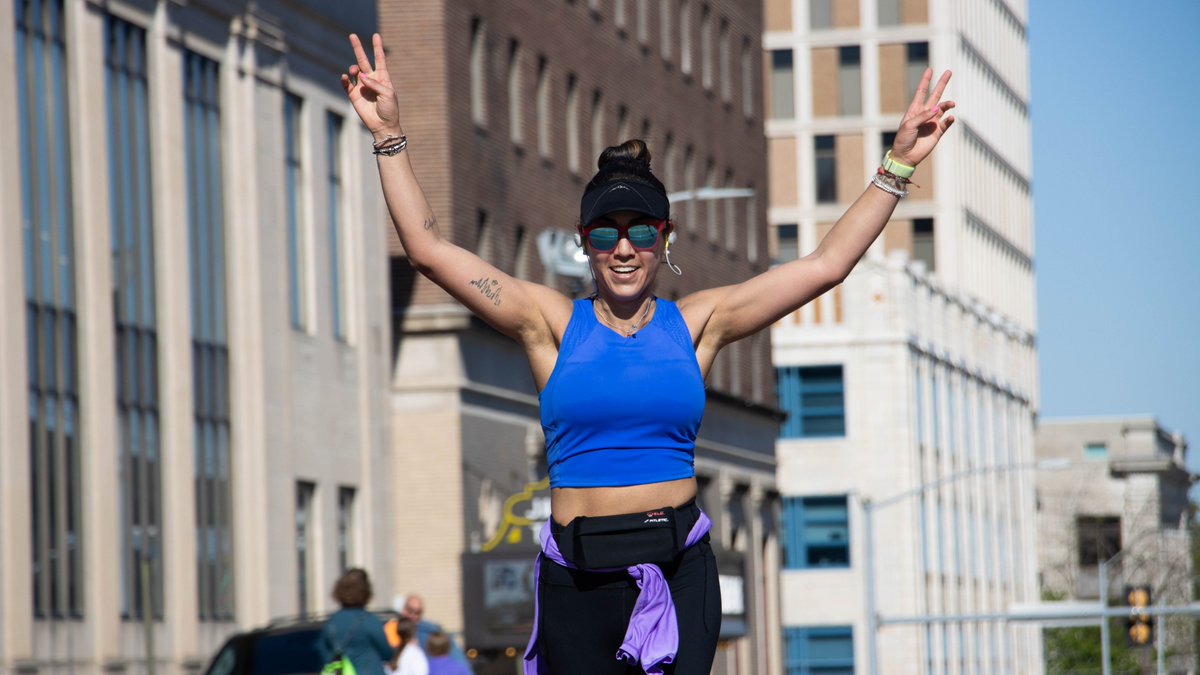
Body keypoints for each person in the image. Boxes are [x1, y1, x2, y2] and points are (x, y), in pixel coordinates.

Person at [342, 32, 954, 675]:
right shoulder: (548, 324)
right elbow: (429, 250)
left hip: (679, 568)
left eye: (642, 232)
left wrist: (898, 165)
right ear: (587, 243)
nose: (624, 248)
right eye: (606, 233)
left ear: (664, 240)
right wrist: (389, 135)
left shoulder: (697, 324)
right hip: (577, 581)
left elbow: (826, 265)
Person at [319, 568, 396, 675]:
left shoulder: (331, 622)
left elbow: (324, 653)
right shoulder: (369, 621)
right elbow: (387, 653)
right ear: (365, 592)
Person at [396, 594, 469, 665]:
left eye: (418, 613)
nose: (414, 616)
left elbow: (458, 659)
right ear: (403, 610)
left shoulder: (429, 632)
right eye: (410, 611)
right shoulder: (391, 629)